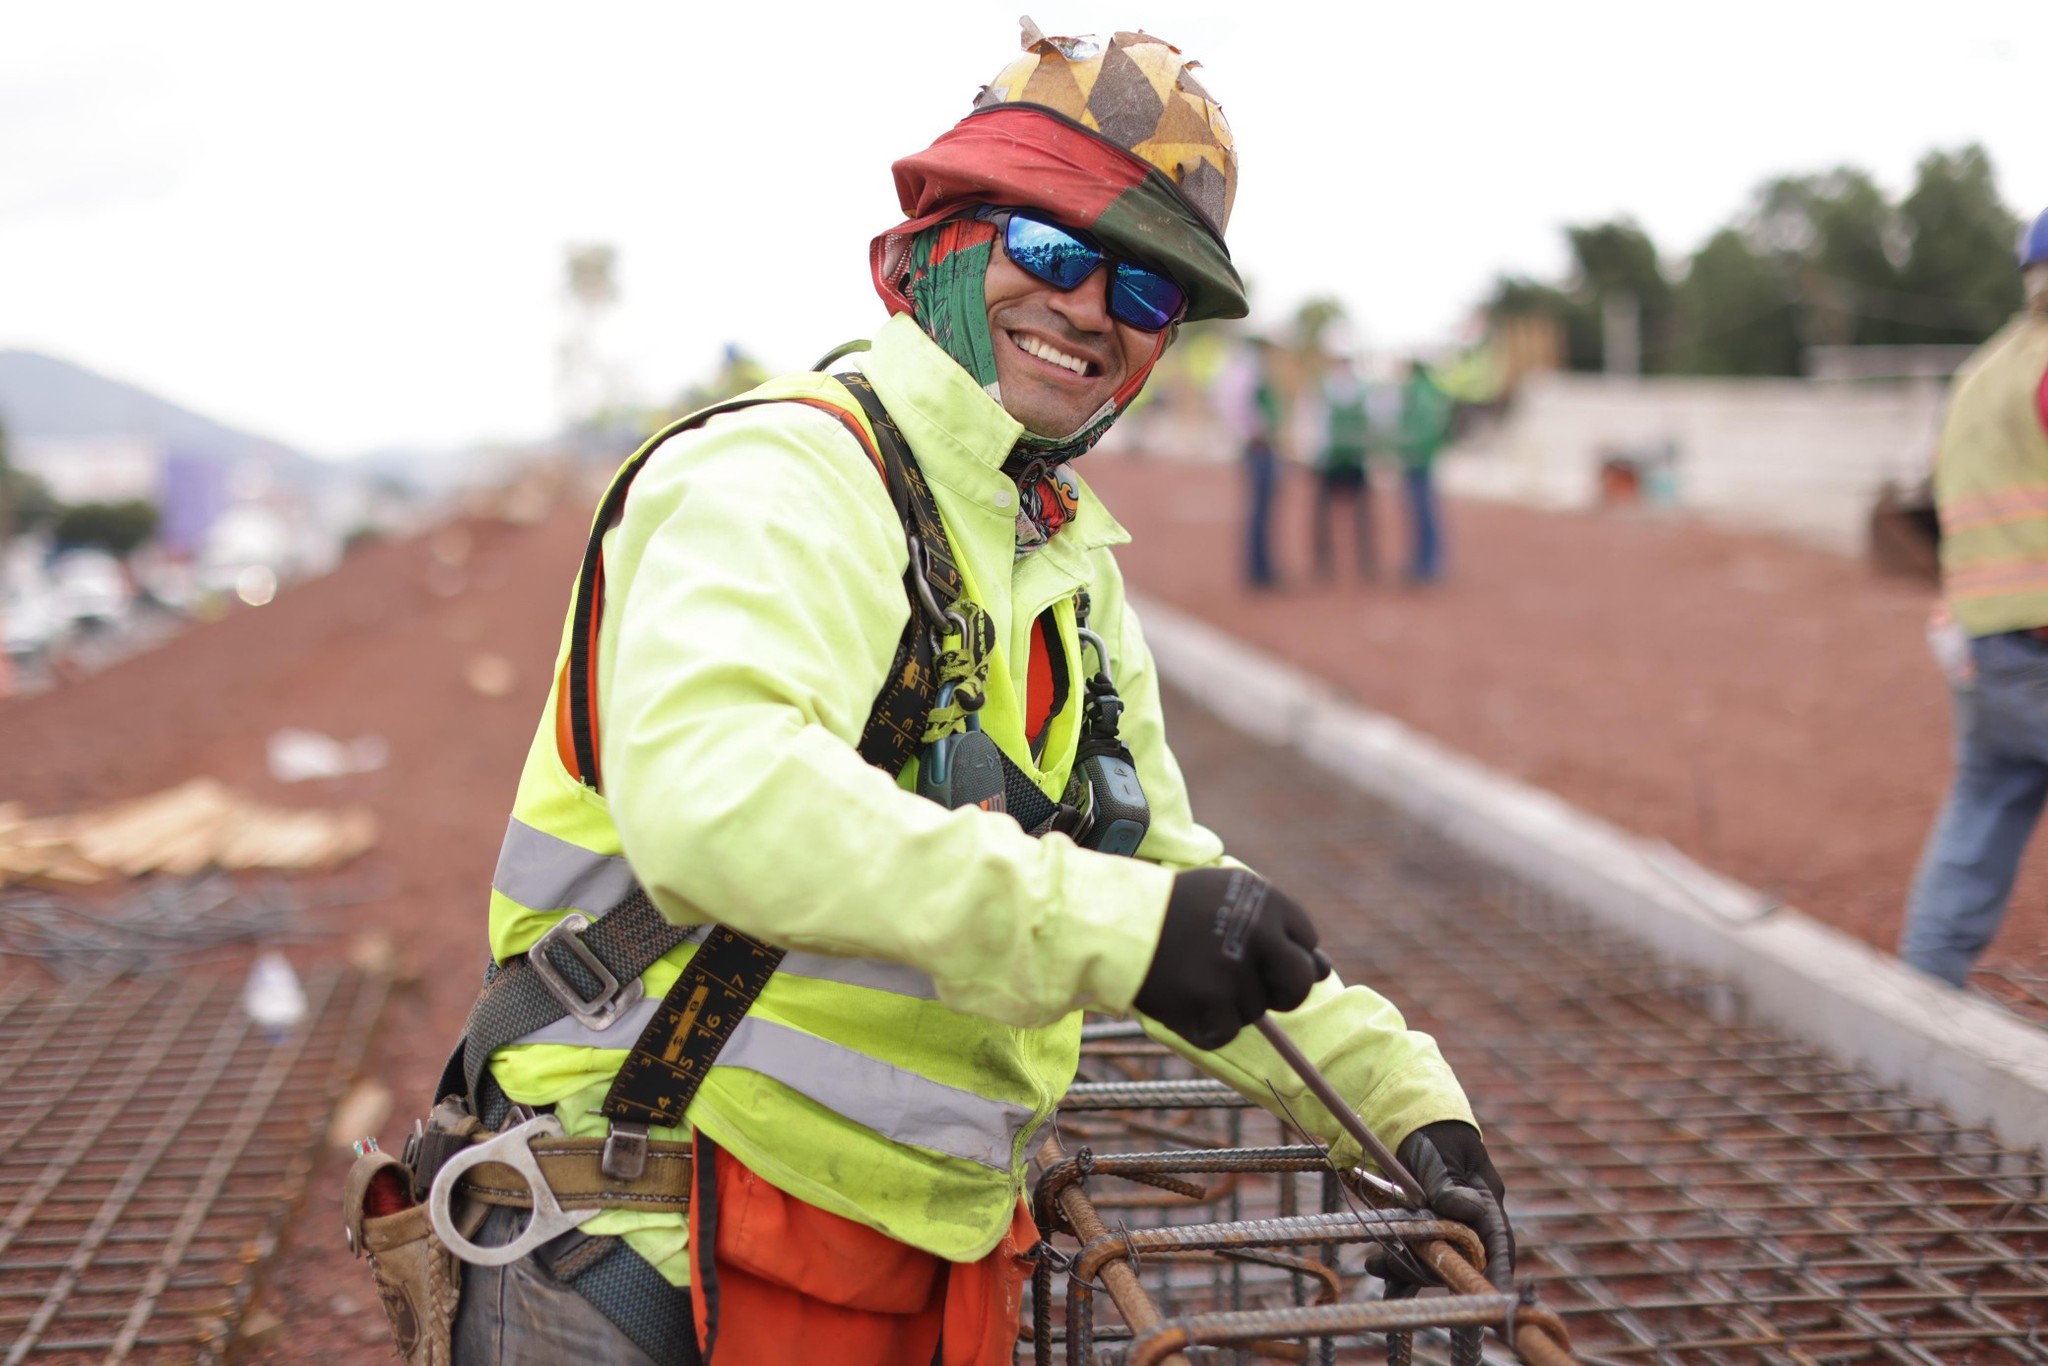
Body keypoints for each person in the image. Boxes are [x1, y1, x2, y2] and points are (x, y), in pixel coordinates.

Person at [425, 23, 1511, 1365]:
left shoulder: (1053, 554)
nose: (1093, 311)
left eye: (1150, 294)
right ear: (940, 233)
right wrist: (1119, 925)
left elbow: (1165, 874)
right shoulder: (785, 476)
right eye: (1053, 250)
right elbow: (719, 800)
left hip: (893, 1270)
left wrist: (1406, 1111)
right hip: (641, 1259)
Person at [1899, 205, 2048, 987]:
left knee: (1983, 814)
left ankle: (1921, 1002)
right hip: (2040, 640)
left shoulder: (1985, 370)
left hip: (1982, 636)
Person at [1312, 354, 1376, 580]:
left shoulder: (1361, 390)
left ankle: (1365, 563)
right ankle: (1324, 563)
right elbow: (1315, 422)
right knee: (1324, 516)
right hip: (1332, 459)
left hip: (1354, 459)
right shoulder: (1326, 389)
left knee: (1361, 516)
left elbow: (1372, 423)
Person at [1394, 358, 1455, 585]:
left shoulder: (1419, 392)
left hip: (1418, 461)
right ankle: (1424, 561)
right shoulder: (1426, 391)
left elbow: (1422, 428)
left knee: (1423, 512)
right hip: (1419, 459)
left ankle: (1428, 564)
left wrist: (1409, 449)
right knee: (1421, 513)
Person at [1241, 335, 1287, 588]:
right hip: (1260, 449)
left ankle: (1262, 567)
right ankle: (1260, 570)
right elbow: (1246, 410)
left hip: (1262, 447)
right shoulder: (1252, 374)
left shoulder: (1255, 373)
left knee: (1263, 511)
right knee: (1261, 511)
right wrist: (1257, 432)